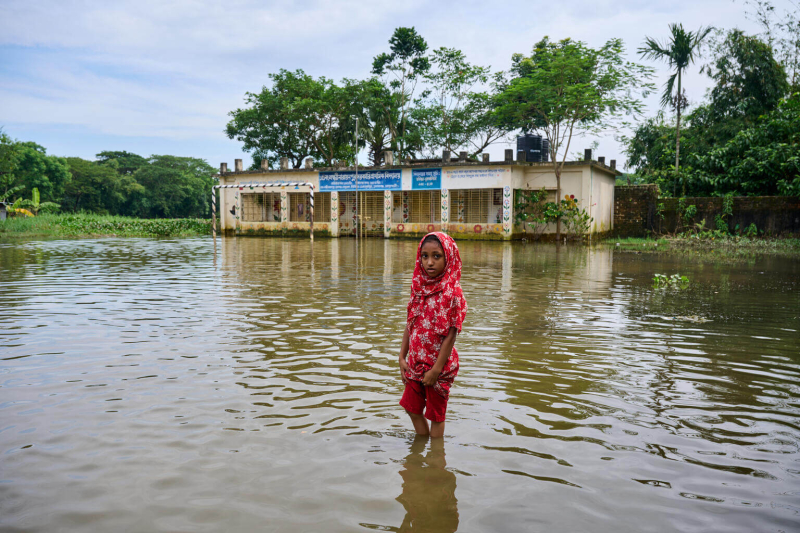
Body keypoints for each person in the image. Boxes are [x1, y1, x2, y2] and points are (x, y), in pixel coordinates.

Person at [398, 232, 467, 438]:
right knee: (411, 408)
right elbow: (411, 323)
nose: (429, 262)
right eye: (425, 256)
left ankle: (436, 458)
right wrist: (402, 356)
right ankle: (421, 449)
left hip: (439, 366)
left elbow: (451, 335)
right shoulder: (418, 286)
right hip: (415, 361)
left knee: (436, 416)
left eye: (437, 256)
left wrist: (436, 370)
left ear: (448, 257)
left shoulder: (452, 292)